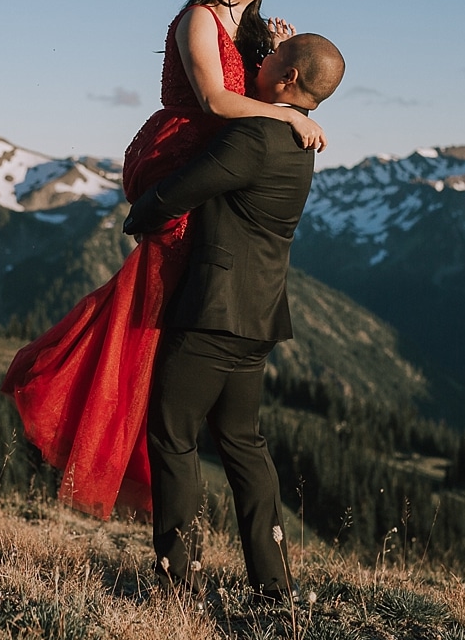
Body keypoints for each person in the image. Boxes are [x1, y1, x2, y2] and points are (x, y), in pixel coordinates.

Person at [3, 0, 326, 519]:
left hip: (216, 165)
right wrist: (285, 114)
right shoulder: (198, 18)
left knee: (171, 298)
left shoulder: (250, 34)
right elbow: (214, 100)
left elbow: (280, 82)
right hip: (180, 155)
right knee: (158, 294)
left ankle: (162, 401)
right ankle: (104, 401)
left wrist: (275, 55)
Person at [123, 33, 347, 598]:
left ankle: (179, 584)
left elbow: (185, 189)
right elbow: (272, 78)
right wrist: (269, 41)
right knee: (243, 442)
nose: (259, 65)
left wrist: (140, 212)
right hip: (260, 314)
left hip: (213, 311)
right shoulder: (296, 139)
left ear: (289, 79)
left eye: (270, 60)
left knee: (172, 434)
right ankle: (272, 584)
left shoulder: (258, 134)